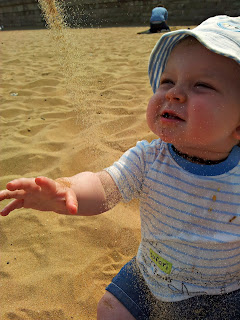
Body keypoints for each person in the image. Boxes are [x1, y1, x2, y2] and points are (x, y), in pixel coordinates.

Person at [0, 15, 240, 320]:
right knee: (110, 310)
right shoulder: (148, 158)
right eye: (167, 81)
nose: (173, 93)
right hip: (150, 273)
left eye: (202, 85)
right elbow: (104, 187)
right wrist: (67, 189)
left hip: (223, 293)